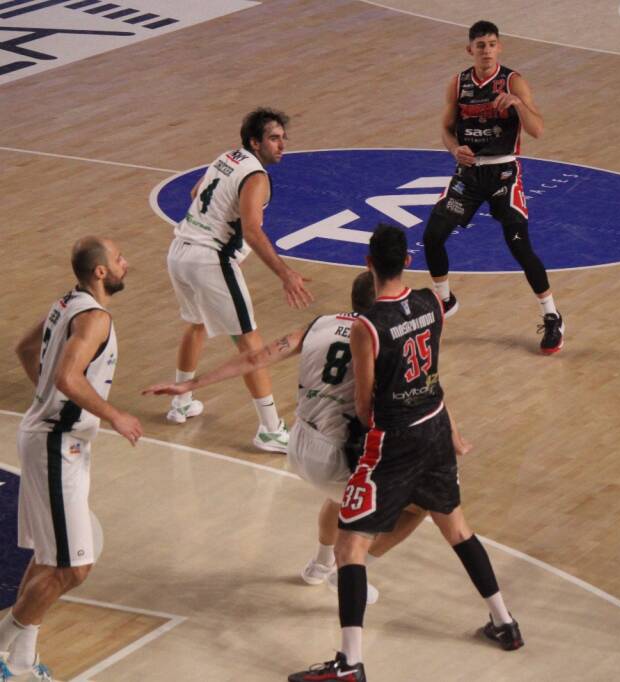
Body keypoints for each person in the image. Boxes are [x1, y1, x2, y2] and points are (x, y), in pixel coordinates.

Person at [288, 225, 523, 682]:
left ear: (368, 263)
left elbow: (363, 403)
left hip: (393, 439)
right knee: (456, 527)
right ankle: (504, 622)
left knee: (350, 544)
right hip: (434, 425)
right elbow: (431, 370)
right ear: (409, 262)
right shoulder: (432, 304)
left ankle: (349, 663)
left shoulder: (367, 326)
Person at [142, 273, 469, 600]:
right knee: (416, 506)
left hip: (298, 444)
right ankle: (350, 570)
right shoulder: (380, 340)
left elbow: (256, 358)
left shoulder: (320, 324)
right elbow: (418, 394)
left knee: (338, 496)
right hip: (335, 454)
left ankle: (320, 565)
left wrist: (189, 385)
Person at [1, 237, 142, 680]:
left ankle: (21, 659)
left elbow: (27, 349)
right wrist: (113, 413)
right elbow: (65, 375)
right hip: (55, 445)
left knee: (50, 556)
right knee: (75, 567)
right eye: (118, 259)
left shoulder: (68, 302)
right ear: (100, 272)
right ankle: (3, 643)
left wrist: (50, 397)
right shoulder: (95, 317)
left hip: (60, 440)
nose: (126, 263)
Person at [164, 107, 313, 452]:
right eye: (274, 139)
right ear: (254, 141)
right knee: (251, 345)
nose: (281, 146)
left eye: (283, 139)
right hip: (208, 259)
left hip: (179, 251)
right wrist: (284, 273)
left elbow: (195, 194)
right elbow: (251, 228)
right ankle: (270, 430)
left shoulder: (227, 157)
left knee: (196, 324)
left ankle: (181, 402)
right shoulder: (256, 176)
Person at [422, 20, 564, 354]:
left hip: (503, 173)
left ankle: (552, 315)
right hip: (469, 175)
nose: (486, 50)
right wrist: (454, 148)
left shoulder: (513, 81)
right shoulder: (458, 84)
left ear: (499, 47)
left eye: (491, 44)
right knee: (432, 236)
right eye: (480, 45)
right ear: (469, 49)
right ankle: (445, 300)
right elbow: (445, 129)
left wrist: (517, 103)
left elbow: (538, 130)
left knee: (519, 246)